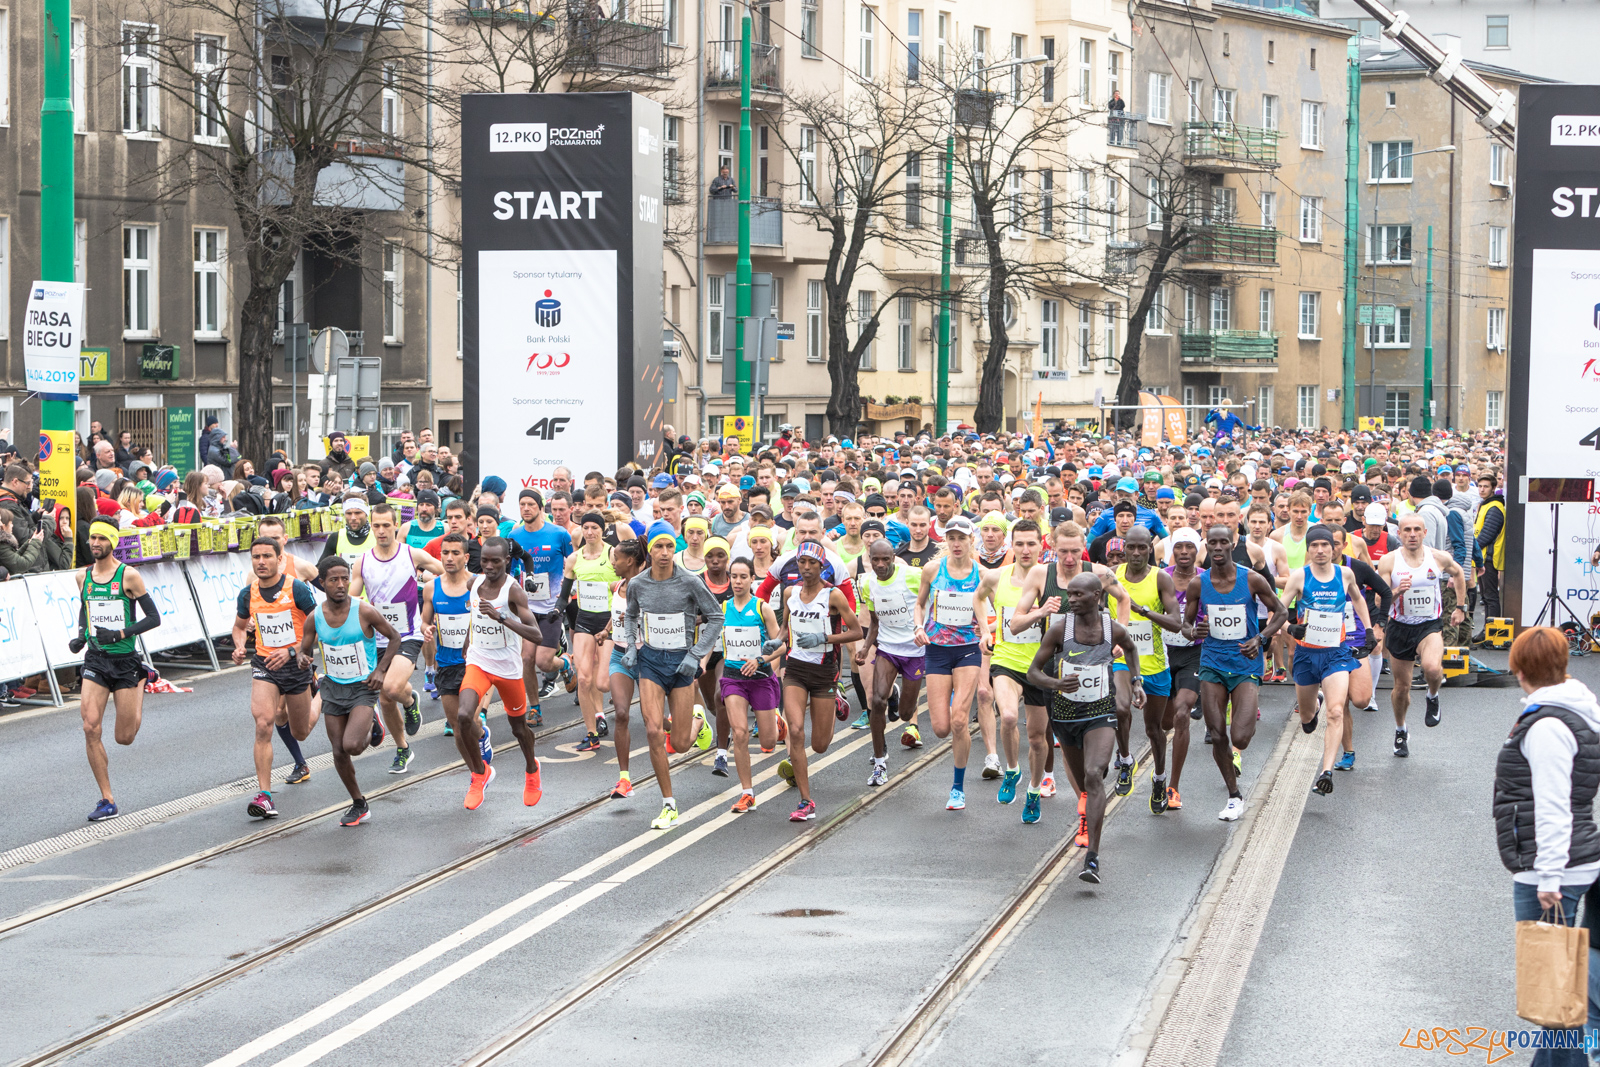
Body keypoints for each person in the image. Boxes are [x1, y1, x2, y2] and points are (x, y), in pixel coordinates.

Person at [1495, 626, 1600, 1064]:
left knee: (1555, 1001)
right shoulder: (1576, 707)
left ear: (1520, 669)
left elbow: (1554, 806)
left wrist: (1550, 875)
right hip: (1575, 859)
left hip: (1552, 869)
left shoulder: (1548, 726)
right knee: (1570, 993)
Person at [1027, 573, 1144, 884]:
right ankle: (1088, 814)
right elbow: (1033, 672)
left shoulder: (1111, 628)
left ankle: (1092, 857)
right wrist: (1056, 683)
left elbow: (1131, 649)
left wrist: (1136, 682)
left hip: (1100, 711)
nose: (1072, 599)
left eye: (1079, 595)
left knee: (1094, 775)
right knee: (1084, 781)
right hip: (1065, 716)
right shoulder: (1058, 630)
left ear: (1097, 596)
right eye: (1070, 594)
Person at [621, 522, 723, 830]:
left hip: (682, 664)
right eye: (658, 547)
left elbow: (716, 616)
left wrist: (695, 655)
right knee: (653, 731)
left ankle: (696, 721)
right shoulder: (638, 583)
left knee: (679, 744)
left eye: (669, 547)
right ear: (649, 550)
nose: (664, 553)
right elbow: (630, 614)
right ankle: (668, 804)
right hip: (650, 661)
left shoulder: (689, 581)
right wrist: (630, 644)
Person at [1182, 524, 1286, 822]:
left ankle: (1244, 729)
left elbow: (1280, 612)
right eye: (1211, 542)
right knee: (1217, 735)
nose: (1217, 547)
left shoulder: (1251, 579)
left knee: (1240, 737)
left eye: (1222, 542)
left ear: (1232, 544)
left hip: (1245, 664)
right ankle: (1234, 795)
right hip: (1213, 662)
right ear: (1207, 546)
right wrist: (1194, 631)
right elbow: (1186, 626)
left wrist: (1261, 638)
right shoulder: (1198, 585)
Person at [298, 556, 403, 826]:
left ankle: (373, 723)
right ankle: (359, 803)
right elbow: (305, 651)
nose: (341, 584)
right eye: (334, 580)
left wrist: (380, 670)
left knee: (353, 745)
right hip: (333, 686)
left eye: (345, 578)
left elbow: (394, 637)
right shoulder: (314, 618)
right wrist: (302, 658)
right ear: (322, 583)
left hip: (362, 687)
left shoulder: (364, 611)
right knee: (338, 751)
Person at [74, 521, 162, 821]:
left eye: (101, 538)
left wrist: (121, 634)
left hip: (125, 663)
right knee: (90, 727)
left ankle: (143, 677)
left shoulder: (129, 576)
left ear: (112, 542)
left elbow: (153, 618)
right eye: (92, 538)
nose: (95, 542)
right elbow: (86, 608)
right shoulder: (83, 576)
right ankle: (107, 799)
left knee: (124, 737)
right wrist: (81, 633)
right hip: (96, 660)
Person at [349, 502, 443, 773]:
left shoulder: (412, 554)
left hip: (408, 634)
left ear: (395, 526)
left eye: (386, 525)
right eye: (376, 526)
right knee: (387, 699)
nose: (381, 531)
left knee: (389, 688)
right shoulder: (363, 561)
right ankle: (403, 747)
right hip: (377, 638)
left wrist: (435, 595)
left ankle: (410, 700)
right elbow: (353, 597)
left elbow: (447, 572)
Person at [1280, 525, 1373, 796]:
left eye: (1326, 545)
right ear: (1308, 550)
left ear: (1334, 548)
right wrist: (1289, 628)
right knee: (1308, 720)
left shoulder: (1345, 574)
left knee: (1336, 712)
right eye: (1315, 546)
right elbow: (1279, 612)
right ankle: (1312, 706)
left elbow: (1359, 599)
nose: (1321, 551)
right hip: (1307, 655)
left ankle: (1326, 771)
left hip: (1336, 653)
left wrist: (1367, 630)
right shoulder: (1299, 577)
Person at [231, 537, 321, 820]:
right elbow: (238, 626)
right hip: (264, 664)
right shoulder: (248, 593)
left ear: (279, 559)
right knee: (262, 723)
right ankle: (264, 795)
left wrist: (292, 650)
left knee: (301, 731)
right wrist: (239, 645)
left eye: (267, 556)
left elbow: (319, 625)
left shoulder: (296, 588)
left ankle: (325, 691)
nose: (261, 562)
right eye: (256, 557)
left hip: (296, 665)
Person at [454, 538, 545, 810]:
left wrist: (502, 618)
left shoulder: (513, 592)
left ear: (507, 560)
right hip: (479, 662)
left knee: (519, 729)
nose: (489, 566)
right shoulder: (474, 584)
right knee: (462, 717)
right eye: (484, 560)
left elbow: (537, 635)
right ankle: (479, 773)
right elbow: (475, 618)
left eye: (496, 561)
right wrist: (468, 641)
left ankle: (531, 769)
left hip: (508, 669)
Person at [779, 539, 864, 821]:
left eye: (811, 563)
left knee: (819, 746)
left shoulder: (833, 597)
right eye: (801, 563)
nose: (805, 568)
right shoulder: (790, 593)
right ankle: (806, 801)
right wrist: (774, 643)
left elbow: (856, 632)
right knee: (796, 731)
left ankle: (836, 698)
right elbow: (784, 631)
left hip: (824, 672)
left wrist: (824, 638)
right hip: (795, 670)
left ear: (822, 566)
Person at [976, 518, 1053, 822]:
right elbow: (978, 598)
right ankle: (1011, 770)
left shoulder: (1052, 579)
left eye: (1031, 543)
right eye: (1019, 543)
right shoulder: (998, 576)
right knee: (1007, 716)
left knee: (1037, 738)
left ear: (1041, 545)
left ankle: (1033, 791)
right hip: (1006, 659)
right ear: (1012, 544)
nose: (1024, 549)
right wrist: (985, 630)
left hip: (1041, 666)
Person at [1375, 513, 1468, 758]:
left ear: (1425, 533)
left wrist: (1460, 607)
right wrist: (1396, 591)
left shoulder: (1438, 557)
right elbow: (1378, 599)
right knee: (1402, 687)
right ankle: (1400, 729)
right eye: (1407, 530)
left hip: (1429, 625)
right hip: (1400, 627)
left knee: (1432, 669)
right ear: (1400, 534)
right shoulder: (1388, 561)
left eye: (1417, 529)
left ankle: (1433, 695)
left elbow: (1459, 574)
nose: (1412, 534)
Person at [915, 516, 985, 811]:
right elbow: (920, 604)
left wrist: (987, 628)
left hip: (968, 650)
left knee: (959, 721)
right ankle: (956, 698)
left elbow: (996, 605)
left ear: (972, 541)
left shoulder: (981, 573)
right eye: (951, 538)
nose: (957, 543)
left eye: (962, 538)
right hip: (937, 650)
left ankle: (957, 788)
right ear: (946, 541)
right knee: (942, 728)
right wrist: (918, 627)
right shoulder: (932, 570)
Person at [1116, 526, 1180, 814]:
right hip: (1121, 659)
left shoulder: (1161, 578)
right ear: (1125, 548)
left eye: (1143, 548)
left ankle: (1159, 778)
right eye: (1132, 547)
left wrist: (1143, 611)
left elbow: (1176, 622)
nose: (1137, 553)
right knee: (1120, 709)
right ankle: (1126, 759)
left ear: (1150, 550)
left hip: (1155, 663)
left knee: (1155, 729)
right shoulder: (1112, 577)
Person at [719, 557, 785, 811]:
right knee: (740, 733)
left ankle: (779, 724)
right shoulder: (723, 608)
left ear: (751, 579)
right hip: (733, 677)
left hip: (760, 678)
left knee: (768, 740)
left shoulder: (762, 608)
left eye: (742, 577)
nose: (737, 581)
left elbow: (782, 646)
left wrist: (759, 660)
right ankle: (747, 792)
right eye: (733, 576)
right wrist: (700, 662)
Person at [857, 538, 926, 778]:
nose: (880, 564)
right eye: (875, 559)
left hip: (914, 651)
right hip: (887, 648)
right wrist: (866, 648)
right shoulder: (866, 583)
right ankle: (879, 762)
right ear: (869, 558)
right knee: (876, 701)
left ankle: (896, 694)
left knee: (906, 714)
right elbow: (875, 621)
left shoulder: (912, 576)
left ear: (894, 557)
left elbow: (933, 599)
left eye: (885, 559)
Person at [421, 534, 489, 767]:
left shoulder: (479, 585)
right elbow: (424, 621)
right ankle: (476, 772)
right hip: (447, 664)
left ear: (466, 557)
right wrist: (426, 629)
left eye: (455, 553)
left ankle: (480, 740)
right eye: (445, 553)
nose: (449, 558)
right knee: (458, 729)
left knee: (467, 718)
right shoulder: (431, 588)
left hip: (475, 664)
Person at [507, 489, 575, 715]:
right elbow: (510, 569)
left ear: (540, 507)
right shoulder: (514, 536)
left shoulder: (559, 534)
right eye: (522, 504)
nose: (526, 508)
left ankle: (564, 664)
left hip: (550, 609)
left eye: (530, 504)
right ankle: (534, 708)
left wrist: (568, 592)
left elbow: (573, 563)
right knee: (526, 659)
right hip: (526, 608)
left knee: (544, 662)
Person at [562, 511, 620, 751]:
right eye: (586, 527)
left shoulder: (613, 553)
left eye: (594, 527)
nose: (589, 532)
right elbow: (565, 590)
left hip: (610, 621)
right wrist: (556, 610)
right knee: (584, 679)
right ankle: (591, 733)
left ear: (602, 530)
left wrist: (618, 586)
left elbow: (630, 579)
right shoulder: (575, 558)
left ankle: (622, 684)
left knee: (603, 682)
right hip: (584, 619)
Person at [605, 538, 650, 798]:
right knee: (621, 713)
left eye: (616, 559)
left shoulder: (647, 588)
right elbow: (617, 618)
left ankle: (679, 725)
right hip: (619, 656)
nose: (613, 563)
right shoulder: (616, 586)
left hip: (646, 658)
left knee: (650, 717)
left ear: (630, 561)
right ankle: (624, 779)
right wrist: (605, 631)